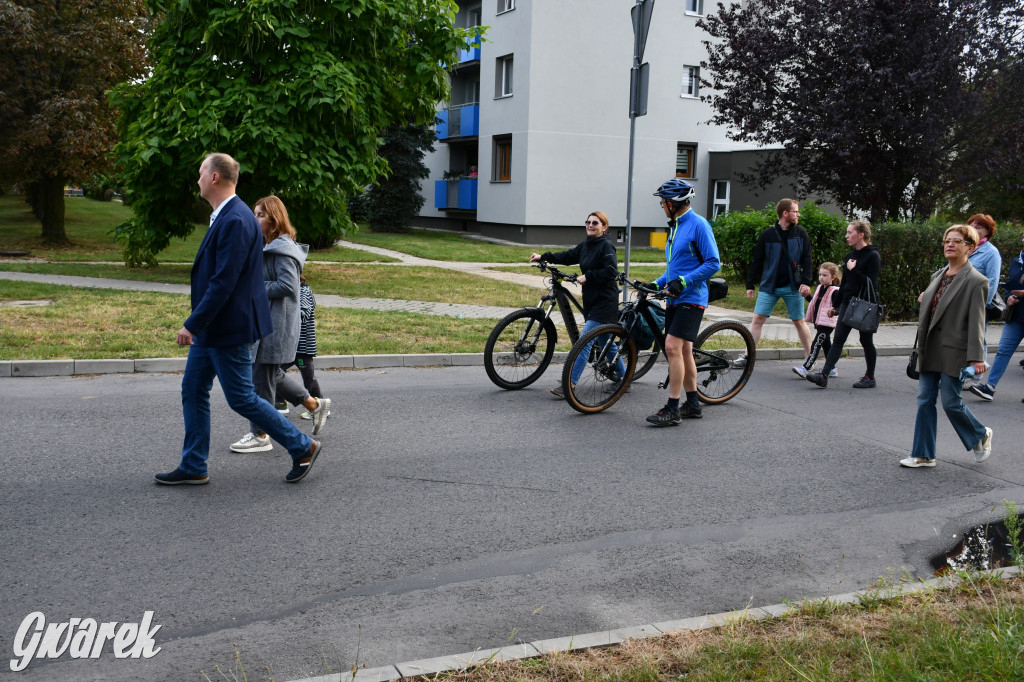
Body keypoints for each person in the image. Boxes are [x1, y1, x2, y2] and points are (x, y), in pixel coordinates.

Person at [156, 153, 323, 485]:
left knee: (242, 397)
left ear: (215, 177)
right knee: (192, 388)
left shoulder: (234, 219)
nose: (198, 178)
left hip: (228, 327)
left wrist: (192, 323)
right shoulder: (227, 215)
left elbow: (224, 282)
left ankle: (302, 446)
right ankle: (193, 465)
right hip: (215, 327)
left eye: (202, 172)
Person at [230, 196, 330, 453]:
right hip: (270, 322)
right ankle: (314, 405)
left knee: (260, 380)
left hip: (277, 325)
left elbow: (287, 285)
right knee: (271, 374)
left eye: (260, 215)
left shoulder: (283, 249)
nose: (255, 219)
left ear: (274, 220)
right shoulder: (273, 246)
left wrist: (253, 288)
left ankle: (260, 434)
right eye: (254, 214)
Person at [901, 224, 993, 468]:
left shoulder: (976, 281)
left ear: (970, 248)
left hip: (955, 350)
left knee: (951, 402)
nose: (950, 244)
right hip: (930, 347)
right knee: (924, 400)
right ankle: (923, 454)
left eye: (957, 241)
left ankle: (980, 434)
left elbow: (977, 322)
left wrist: (976, 357)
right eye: (947, 241)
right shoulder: (938, 276)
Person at [643, 178, 721, 426]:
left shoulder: (698, 225)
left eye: (663, 202)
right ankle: (693, 404)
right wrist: (656, 283)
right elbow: (674, 268)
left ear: (673, 203)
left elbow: (713, 263)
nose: (661, 206)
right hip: (676, 297)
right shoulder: (675, 226)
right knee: (685, 350)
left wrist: (684, 282)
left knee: (672, 348)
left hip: (692, 297)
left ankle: (672, 407)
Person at [530, 211, 624, 398]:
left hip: (605, 301)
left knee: (585, 341)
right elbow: (567, 256)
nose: (590, 225)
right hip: (591, 299)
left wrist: (588, 276)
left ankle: (569, 385)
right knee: (606, 342)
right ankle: (624, 378)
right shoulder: (586, 245)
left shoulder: (606, 246)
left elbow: (610, 271)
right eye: (588, 222)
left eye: (595, 223)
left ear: (604, 227)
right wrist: (543, 256)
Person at [805, 221, 881, 389]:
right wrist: (836, 306)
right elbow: (845, 284)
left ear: (861, 234)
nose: (846, 236)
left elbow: (871, 283)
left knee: (866, 341)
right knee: (838, 339)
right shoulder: (850, 256)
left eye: (849, 232)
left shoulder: (872, 256)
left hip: (864, 304)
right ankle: (824, 375)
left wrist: (854, 270)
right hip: (847, 303)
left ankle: (870, 377)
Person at [739, 199, 813, 368]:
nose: (798, 214)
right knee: (757, 319)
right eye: (795, 211)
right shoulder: (768, 235)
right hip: (769, 286)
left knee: (799, 321)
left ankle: (810, 357)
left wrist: (807, 282)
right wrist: (750, 285)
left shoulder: (801, 234)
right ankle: (747, 356)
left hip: (793, 286)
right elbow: (757, 261)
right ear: (785, 213)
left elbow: (807, 259)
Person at [968, 230, 1024, 402]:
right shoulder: (1017, 261)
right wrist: (1009, 297)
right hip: (1016, 316)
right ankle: (990, 388)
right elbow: (1009, 285)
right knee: (1003, 352)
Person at [283, 274, 327, 420]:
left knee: (309, 379)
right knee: (274, 372)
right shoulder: (293, 291)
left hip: (302, 347)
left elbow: (304, 313)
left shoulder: (304, 291)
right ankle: (279, 403)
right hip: (290, 346)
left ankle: (320, 405)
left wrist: (284, 313)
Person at [793, 262, 841, 378]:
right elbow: (815, 303)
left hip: (827, 324)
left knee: (816, 345)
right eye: (820, 275)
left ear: (833, 277)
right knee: (826, 345)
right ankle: (832, 369)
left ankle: (806, 368)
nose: (821, 277)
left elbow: (840, 306)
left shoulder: (834, 291)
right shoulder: (820, 288)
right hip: (819, 322)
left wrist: (834, 311)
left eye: (825, 275)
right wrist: (807, 296)